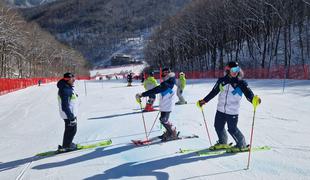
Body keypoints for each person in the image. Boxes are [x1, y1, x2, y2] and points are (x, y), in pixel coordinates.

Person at [197, 61, 261, 152]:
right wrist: (204, 101)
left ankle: (241, 144)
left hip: (232, 110)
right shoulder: (222, 81)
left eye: (237, 69)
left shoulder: (241, 82)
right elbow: (214, 92)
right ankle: (223, 142)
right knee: (218, 126)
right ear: (228, 70)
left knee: (232, 129)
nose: (236, 72)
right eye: (233, 69)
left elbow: (248, 94)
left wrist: (253, 100)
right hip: (221, 109)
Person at [136, 68, 178, 141]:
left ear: (169, 73)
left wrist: (143, 94)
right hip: (164, 105)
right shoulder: (167, 82)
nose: (164, 74)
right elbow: (159, 89)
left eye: (166, 72)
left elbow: (156, 90)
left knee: (163, 119)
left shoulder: (169, 83)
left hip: (168, 105)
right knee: (163, 119)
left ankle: (172, 133)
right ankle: (169, 132)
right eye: (163, 72)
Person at [57, 72, 78, 152]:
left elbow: (69, 98)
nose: (74, 80)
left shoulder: (66, 87)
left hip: (69, 113)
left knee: (70, 130)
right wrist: (71, 117)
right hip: (69, 114)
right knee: (72, 130)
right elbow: (65, 106)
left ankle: (66, 145)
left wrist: (75, 96)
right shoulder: (65, 89)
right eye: (72, 79)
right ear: (68, 79)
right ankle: (67, 146)